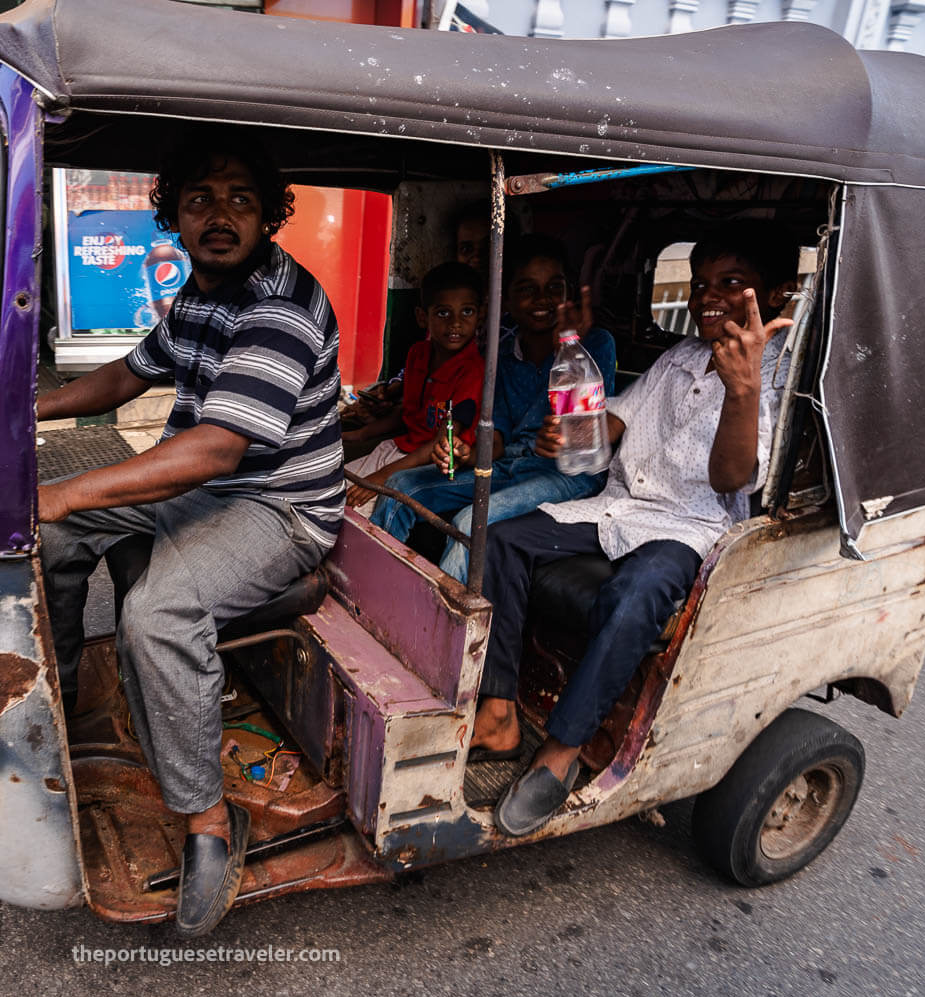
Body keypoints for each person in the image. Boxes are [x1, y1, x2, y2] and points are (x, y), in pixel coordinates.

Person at [35, 132, 342, 936]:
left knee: (156, 613)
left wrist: (68, 492)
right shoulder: (197, 294)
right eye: (202, 198)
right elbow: (126, 376)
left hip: (278, 508)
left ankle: (209, 821)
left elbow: (215, 450)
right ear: (173, 213)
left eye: (242, 199)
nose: (221, 216)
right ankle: (62, 695)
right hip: (200, 487)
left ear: (270, 217)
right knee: (52, 537)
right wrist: (26, 409)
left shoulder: (281, 306)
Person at [473, 223, 801, 837]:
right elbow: (610, 427)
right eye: (702, 283)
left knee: (635, 596)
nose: (709, 297)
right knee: (500, 538)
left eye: (731, 284)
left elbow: (732, 477)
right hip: (621, 507)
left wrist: (743, 389)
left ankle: (561, 752)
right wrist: (569, 435)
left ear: (776, 293)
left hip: (692, 527)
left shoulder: (781, 377)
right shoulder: (678, 358)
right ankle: (498, 711)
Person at [370, 236, 615, 583]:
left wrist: (569, 342)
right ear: (507, 300)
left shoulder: (594, 344)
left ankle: (441, 631)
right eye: (528, 289)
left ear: (568, 292)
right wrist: (466, 451)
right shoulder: (501, 352)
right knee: (399, 488)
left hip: (566, 475)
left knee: (471, 523)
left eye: (554, 288)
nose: (543, 300)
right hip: (507, 465)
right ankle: (374, 591)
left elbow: (583, 432)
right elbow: (497, 438)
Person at [342, 261, 485, 513]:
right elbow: (408, 413)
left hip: (430, 465)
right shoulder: (418, 354)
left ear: (480, 315)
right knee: (334, 494)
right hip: (398, 448)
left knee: (358, 513)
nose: (455, 323)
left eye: (467, 312)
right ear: (422, 317)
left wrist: (380, 477)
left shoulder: (473, 370)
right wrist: (361, 434)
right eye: (443, 313)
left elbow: (442, 444)